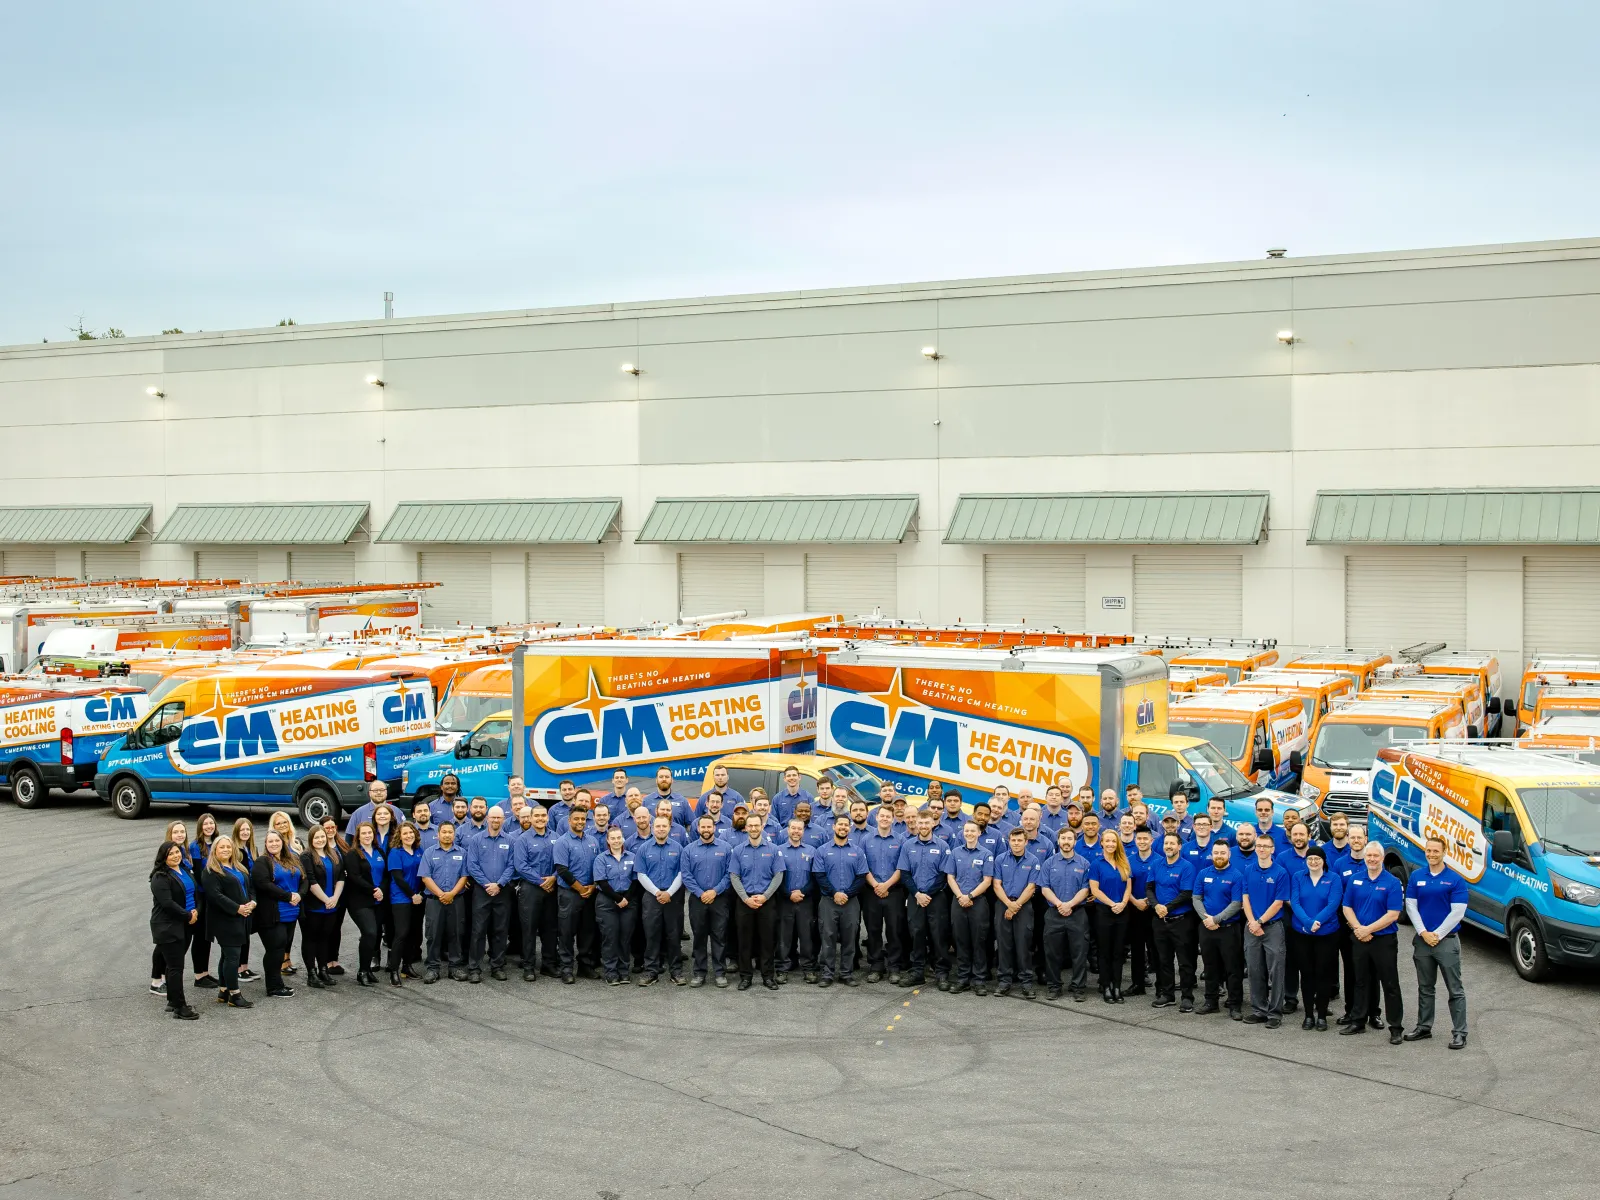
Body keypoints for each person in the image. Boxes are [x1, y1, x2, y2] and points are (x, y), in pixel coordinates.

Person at [1403, 835, 1470, 1049]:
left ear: (1444, 852)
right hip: (1423, 941)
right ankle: (1424, 1027)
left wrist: (1437, 935)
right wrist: (1423, 932)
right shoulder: (1416, 876)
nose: (1431, 854)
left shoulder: (1455, 879)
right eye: (1428, 851)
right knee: (1425, 987)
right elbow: (1411, 906)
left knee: (1455, 989)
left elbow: (1457, 912)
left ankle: (1460, 1032)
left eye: (1435, 851)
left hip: (1447, 941)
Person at [1339, 840, 1405, 1043]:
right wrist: (1358, 929)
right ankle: (1358, 1020)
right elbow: (1346, 907)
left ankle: (1395, 1027)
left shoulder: (1392, 882)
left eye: (1376, 856)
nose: (1372, 859)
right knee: (1360, 981)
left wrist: (1368, 929)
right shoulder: (1356, 880)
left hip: (1383, 940)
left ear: (1382, 858)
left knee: (1390, 983)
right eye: (1369, 856)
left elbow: (1393, 914)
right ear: (1365, 858)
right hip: (1360, 938)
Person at [1288, 844, 1341, 1030]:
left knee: (1323, 974)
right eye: (1310, 859)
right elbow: (1294, 902)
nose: (1313, 862)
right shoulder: (1297, 877)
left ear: (1323, 861)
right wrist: (1308, 922)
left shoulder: (1333, 878)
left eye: (1317, 859)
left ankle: (1322, 1016)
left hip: (1327, 933)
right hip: (1302, 933)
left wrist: (1316, 921)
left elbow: (1333, 903)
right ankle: (1309, 1015)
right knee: (1307, 974)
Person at [1240, 833, 1291, 1027]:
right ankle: (1259, 1010)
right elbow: (1245, 898)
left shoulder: (1280, 872)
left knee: (1276, 970)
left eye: (1265, 846)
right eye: (1259, 846)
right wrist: (1252, 922)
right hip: (1251, 927)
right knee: (1254, 969)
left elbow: (1279, 903)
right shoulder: (1248, 870)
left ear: (1272, 849)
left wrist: (1260, 921)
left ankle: (1275, 1013)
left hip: (1272, 927)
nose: (1261, 849)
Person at [897, 809, 951, 989]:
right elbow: (904, 874)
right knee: (917, 933)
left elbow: (944, 874)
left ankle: (942, 972)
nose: (923, 826)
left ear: (933, 824)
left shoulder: (943, 846)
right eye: (920, 823)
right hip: (915, 897)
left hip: (936, 897)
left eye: (927, 823)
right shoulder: (908, 846)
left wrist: (928, 894)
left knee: (939, 934)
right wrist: (918, 894)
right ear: (916, 824)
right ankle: (917, 971)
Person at [730, 816, 784, 990]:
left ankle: (768, 976)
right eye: (750, 825)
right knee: (744, 941)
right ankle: (746, 977)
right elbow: (734, 876)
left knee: (767, 941)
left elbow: (778, 875)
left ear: (762, 827)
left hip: (766, 901)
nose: (754, 828)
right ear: (745, 828)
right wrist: (745, 898)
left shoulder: (773, 849)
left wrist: (765, 896)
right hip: (744, 901)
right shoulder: (738, 850)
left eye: (756, 825)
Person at [813, 815, 867, 987]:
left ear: (849, 828)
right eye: (840, 825)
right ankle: (827, 974)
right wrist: (835, 893)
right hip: (828, 901)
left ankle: (846, 973)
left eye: (846, 825)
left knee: (850, 938)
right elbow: (819, 875)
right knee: (827, 938)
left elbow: (861, 876)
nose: (843, 827)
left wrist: (847, 894)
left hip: (851, 902)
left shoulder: (857, 851)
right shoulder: (822, 850)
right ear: (834, 827)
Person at [1040, 824, 1092, 1002]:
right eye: (1063, 838)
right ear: (1058, 840)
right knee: (1052, 953)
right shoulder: (1049, 863)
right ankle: (1054, 986)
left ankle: (1078, 987)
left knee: (1079, 953)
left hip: (1077, 913)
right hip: (1054, 913)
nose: (1066, 842)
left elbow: (1085, 889)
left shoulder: (1084, 864)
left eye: (1070, 838)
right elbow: (1044, 888)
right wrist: (1060, 904)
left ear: (1075, 841)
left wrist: (1069, 904)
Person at [1193, 840, 1245, 1018]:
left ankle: (1235, 1004)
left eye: (1223, 853)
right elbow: (1196, 898)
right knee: (1210, 967)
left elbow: (1237, 903)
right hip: (1206, 928)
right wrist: (1206, 919)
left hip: (1228, 929)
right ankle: (1211, 1001)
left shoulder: (1236, 875)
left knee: (1233, 968)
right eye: (1216, 853)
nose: (1219, 856)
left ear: (1229, 854)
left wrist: (1216, 919)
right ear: (1212, 854)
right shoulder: (1203, 873)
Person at [1148, 831, 1198, 1011]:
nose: (1168, 846)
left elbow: (1186, 893)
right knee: (1164, 960)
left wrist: (1166, 907)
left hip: (1181, 921)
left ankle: (1187, 997)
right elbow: (1149, 889)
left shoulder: (1187, 867)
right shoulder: (1156, 865)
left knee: (1185, 961)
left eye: (1172, 843)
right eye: (1166, 843)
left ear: (1179, 846)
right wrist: (1156, 906)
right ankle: (1168, 994)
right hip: (1160, 920)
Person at [204, 835, 255, 1008]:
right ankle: (235, 994)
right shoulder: (210, 871)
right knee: (233, 957)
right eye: (221, 847)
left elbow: (250, 887)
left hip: (242, 917)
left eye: (228, 846)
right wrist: (237, 908)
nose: (226, 849)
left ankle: (223, 990)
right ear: (215, 851)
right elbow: (216, 896)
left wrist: (252, 902)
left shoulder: (238, 867)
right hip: (225, 920)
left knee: (227, 956)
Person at [150, 842, 199, 1020]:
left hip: (186, 923)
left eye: (177, 852)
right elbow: (167, 904)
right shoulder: (160, 877)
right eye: (171, 854)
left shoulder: (184, 870)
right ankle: (180, 1007)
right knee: (176, 967)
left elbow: (195, 893)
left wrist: (195, 911)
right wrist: (187, 916)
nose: (175, 856)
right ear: (163, 857)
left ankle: (172, 1000)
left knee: (174, 965)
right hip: (168, 926)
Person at [635, 814, 686, 985]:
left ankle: (676, 972)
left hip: (673, 897)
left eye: (664, 826)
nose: (661, 829)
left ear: (669, 828)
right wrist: (657, 892)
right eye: (658, 826)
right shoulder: (644, 849)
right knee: (652, 935)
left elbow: (681, 873)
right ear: (652, 827)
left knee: (674, 935)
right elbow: (641, 874)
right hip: (651, 897)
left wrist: (669, 893)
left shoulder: (678, 848)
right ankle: (651, 972)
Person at [682, 814, 732, 988]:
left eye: (708, 827)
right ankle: (699, 972)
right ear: (697, 829)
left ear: (714, 828)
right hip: (697, 899)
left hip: (719, 899)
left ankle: (720, 973)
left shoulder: (725, 848)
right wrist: (700, 892)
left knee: (719, 936)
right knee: (699, 937)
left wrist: (715, 891)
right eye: (702, 827)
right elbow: (686, 875)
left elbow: (729, 874)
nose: (705, 830)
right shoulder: (688, 850)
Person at [466, 806, 515, 983]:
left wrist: (499, 884)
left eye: (499, 818)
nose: (496, 821)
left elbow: (511, 865)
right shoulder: (477, 840)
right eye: (493, 817)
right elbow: (472, 865)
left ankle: (497, 966)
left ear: (503, 820)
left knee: (500, 930)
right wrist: (488, 885)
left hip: (502, 891)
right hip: (481, 891)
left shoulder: (510, 841)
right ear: (487, 818)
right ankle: (474, 968)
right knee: (478, 930)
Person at [250, 829, 300, 999]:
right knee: (275, 949)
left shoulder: (291, 859)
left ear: (282, 842)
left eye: (277, 841)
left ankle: (277, 983)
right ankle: (273, 986)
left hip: (291, 911)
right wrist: (288, 896)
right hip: (271, 913)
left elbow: (305, 878)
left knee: (282, 947)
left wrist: (300, 894)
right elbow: (263, 884)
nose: (274, 844)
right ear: (265, 844)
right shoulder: (262, 861)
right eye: (270, 841)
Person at [553, 806, 601, 985]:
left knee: (587, 931)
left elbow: (597, 865)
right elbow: (562, 870)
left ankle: (584, 966)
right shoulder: (562, 842)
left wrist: (593, 886)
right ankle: (566, 968)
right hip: (570, 894)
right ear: (569, 821)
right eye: (577, 819)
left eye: (583, 819)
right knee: (566, 932)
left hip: (590, 893)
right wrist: (581, 889)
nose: (580, 822)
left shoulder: (593, 841)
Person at [861, 804, 907, 984]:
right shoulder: (866, 840)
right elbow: (863, 867)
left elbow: (901, 867)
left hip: (894, 892)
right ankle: (876, 966)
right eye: (882, 816)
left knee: (894, 930)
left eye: (889, 816)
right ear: (876, 817)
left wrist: (886, 885)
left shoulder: (901, 840)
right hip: (871, 892)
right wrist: (876, 886)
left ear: (893, 819)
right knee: (873, 930)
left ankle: (894, 966)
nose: (885, 819)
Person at [419, 823, 470, 983]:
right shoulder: (429, 852)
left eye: (450, 832)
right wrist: (441, 894)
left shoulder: (462, 853)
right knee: (433, 934)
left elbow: (464, 876)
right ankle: (433, 968)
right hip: (435, 901)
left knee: (456, 933)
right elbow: (425, 877)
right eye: (444, 832)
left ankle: (455, 967)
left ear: (454, 835)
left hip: (456, 900)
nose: (447, 835)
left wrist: (452, 894)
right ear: (438, 834)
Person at [512, 805, 558, 981]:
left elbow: (561, 862)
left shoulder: (556, 837)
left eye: (543, 815)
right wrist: (541, 882)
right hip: (530, 888)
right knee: (529, 928)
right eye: (536, 815)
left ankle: (548, 965)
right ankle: (528, 966)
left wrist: (552, 878)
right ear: (530, 818)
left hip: (552, 888)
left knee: (550, 929)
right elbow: (521, 866)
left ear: (547, 817)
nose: (540, 818)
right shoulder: (523, 840)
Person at [992, 827, 1040, 998]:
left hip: (1023, 905)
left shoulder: (1033, 860)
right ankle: (1004, 981)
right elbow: (996, 884)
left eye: (1020, 840)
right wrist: (1008, 904)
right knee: (1004, 944)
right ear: (1009, 841)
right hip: (1003, 903)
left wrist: (1016, 905)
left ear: (1026, 842)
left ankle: (1026, 982)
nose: (1016, 843)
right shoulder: (1000, 859)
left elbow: (1031, 887)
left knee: (1023, 944)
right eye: (1013, 840)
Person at [1089, 828, 1132, 1003]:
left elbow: (1128, 886)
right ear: (1102, 843)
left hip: (1122, 911)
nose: (1110, 844)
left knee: (1118, 952)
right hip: (1104, 912)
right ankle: (1106, 986)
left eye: (1113, 841)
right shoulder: (1096, 864)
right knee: (1104, 951)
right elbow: (1094, 890)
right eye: (1107, 841)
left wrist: (1122, 903)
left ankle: (1117, 986)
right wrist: (1112, 904)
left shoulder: (1124, 862)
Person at [300, 825, 345, 989]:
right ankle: (311, 974)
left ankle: (323, 970)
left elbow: (341, 876)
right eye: (316, 837)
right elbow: (310, 881)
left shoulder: (333, 853)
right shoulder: (306, 856)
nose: (320, 840)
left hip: (332, 906)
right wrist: (326, 899)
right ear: (311, 839)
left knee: (325, 939)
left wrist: (335, 898)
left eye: (322, 837)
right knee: (311, 939)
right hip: (314, 907)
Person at [345, 821, 389, 987]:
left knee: (375, 934)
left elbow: (386, 874)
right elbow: (355, 878)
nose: (367, 836)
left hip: (379, 899)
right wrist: (373, 890)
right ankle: (362, 970)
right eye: (363, 833)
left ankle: (367, 971)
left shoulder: (379, 851)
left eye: (369, 833)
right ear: (358, 836)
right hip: (360, 901)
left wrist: (381, 890)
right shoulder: (353, 854)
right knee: (369, 932)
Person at [593, 827, 639, 986]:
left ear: (623, 838)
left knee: (625, 938)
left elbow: (635, 881)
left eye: (619, 837)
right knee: (610, 937)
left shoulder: (632, 857)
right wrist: (618, 899)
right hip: (607, 901)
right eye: (613, 838)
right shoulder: (601, 859)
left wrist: (626, 899)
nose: (616, 841)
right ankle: (611, 972)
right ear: (608, 840)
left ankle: (624, 970)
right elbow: (602, 882)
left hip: (628, 901)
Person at [386, 821, 426, 985]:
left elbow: (424, 873)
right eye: (405, 834)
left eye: (411, 833)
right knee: (401, 934)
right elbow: (398, 878)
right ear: (399, 836)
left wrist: (421, 894)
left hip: (418, 898)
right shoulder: (395, 852)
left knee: (414, 934)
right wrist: (412, 895)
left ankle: (407, 966)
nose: (408, 836)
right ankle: (394, 970)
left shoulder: (419, 851)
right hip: (401, 898)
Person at [187, 813, 221, 992]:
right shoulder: (195, 846)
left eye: (211, 823)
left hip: (214, 895)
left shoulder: (217, 843)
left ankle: (205, 972)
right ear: (200, 827)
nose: (209, 826)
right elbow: (200, 874)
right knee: (200, 936)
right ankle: (199, 975)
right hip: (203, 896)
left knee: (207, 936)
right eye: (205, 824)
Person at [1125, 827, 1157, 995]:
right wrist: (1135, 901)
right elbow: (1125, 886)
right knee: (1137, 949)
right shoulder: (1129, 861)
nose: (1142, 842)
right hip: (1135, 908)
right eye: (1139, 839)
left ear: (1151, 841)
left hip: (1155, 910)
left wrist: (1149, 901)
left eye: (1146, 839)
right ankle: (1138, 984)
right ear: (1135, 841)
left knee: (1157, 948)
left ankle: (1163, 986)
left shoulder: (1160, 860)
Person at [230, 818, 260, 982]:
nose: (245, 832)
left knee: (247, 933)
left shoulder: (252, 848)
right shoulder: (234, 850)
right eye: (242, 829)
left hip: (251, 894)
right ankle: (238, 969)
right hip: (240, 894)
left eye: (247, 829)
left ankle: (245, 967)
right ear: (236, 831)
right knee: (240, 933)